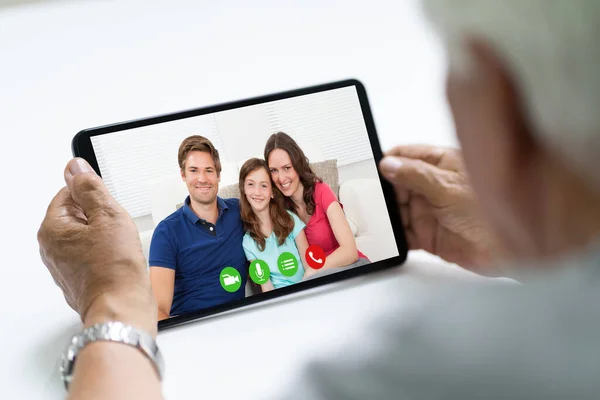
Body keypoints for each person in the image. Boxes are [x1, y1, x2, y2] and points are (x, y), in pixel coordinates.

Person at [37, 0, 600, 398]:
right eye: (262, 176)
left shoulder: (447, 359)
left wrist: (109, 305)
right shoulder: (199, 225)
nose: (267, 184)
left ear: (499, 103)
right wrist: (533, 236)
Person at [149, 135, 247, 320]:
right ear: (183, 175)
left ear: (218, 175)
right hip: (192, 328)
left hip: (239, 318)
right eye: (194, 170)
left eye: (209, 170)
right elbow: (159, 310)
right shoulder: (166, 232)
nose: (202, 179)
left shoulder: (240, 211)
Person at [264, 132, 370, 277]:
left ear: (298, 164)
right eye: (274, 171)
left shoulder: (321, 191)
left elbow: (350, 252)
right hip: (320, 277)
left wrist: (313, 272)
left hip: (352, 266)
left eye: (287, 168)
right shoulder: (281, 208)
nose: (281, 178)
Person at [239, 158, 315, 292]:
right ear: (243, 189)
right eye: (251, 184)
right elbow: (266, 286)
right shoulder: (248, 242)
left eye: (264, 186)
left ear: (272, 192)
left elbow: (309, 267)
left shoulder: (290, 220)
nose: (257, 192)